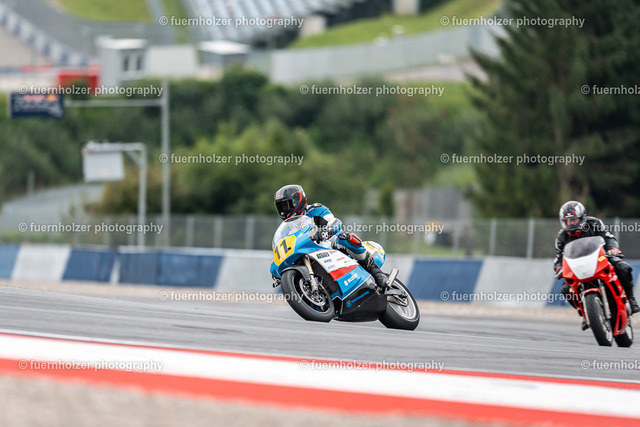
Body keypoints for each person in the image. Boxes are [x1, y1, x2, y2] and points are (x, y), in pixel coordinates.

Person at [274, 184, 388, 288]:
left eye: (286, 205)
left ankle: (377, 273)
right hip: (307, 251)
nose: (283, 211)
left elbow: (334, 221)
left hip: (327, 243)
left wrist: (327, 230)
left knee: (345, 238)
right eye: (281, 207)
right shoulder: (288, 228)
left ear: (297, 200)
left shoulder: (315, 210)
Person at [554, 201, 639, 329]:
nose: (571, 224)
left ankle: (631, 299)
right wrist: (559, 268)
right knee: (566, 289)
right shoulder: (561, 237)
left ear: (582, 218)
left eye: (574, 220)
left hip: (600, 259)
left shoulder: (594, 223)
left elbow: (608, 237)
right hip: (577, 267)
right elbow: (559, 257)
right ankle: (586, 314)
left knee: (623, 268)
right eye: (567, 221)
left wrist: (612, 249)